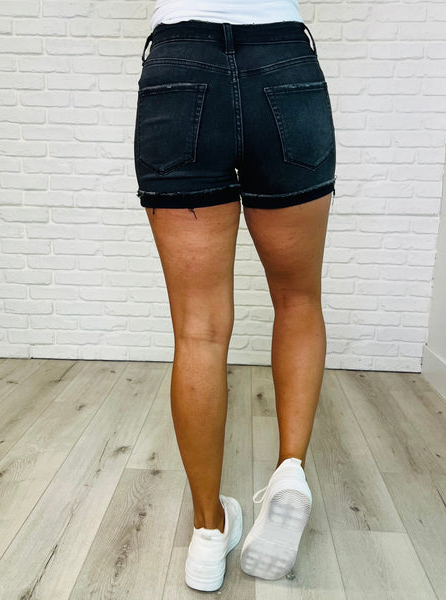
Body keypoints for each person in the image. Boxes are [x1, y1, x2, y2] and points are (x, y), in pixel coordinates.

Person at [134, 0, 336, 592]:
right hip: (283, 63)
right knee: (298, 299)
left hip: (180, 68)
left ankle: (207, 533)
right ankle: (290, 471)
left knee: (198, 329)